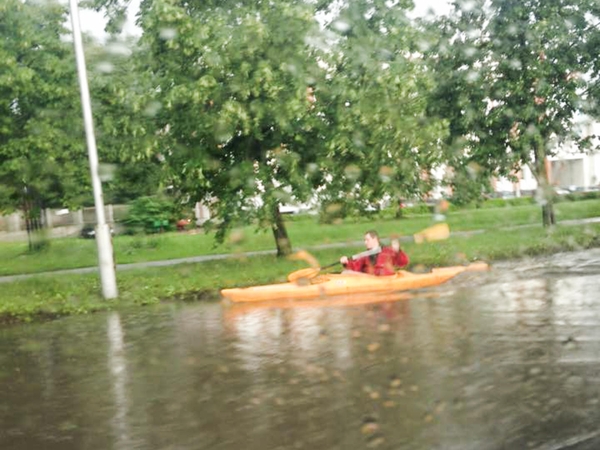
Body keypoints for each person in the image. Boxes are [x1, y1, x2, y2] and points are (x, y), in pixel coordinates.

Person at [340, 230, 409, 276]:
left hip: (386, 279)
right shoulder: (365, 255)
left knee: (346, 273)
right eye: (364, 240)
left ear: (375, 239)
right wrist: (346, 262)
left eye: (367, 240)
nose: (365, 242)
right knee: (345, 273)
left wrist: (398, 251)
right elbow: (355, 266)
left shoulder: (388, 251)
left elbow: (403, 262)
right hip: (370, 279)